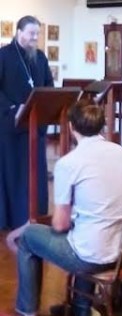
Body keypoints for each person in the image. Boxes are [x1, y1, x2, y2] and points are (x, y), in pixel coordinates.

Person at [14, 100, 122, 316]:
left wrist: (69, 218)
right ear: (103, 126)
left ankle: (28, 314)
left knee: (30, 236)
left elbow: (60, 225)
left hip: (91, 254)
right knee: (89, 231)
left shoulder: (69, 163)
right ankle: (80, 310)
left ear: (71, 127)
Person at [0, 15, 54, 230]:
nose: (35, 38)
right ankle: (12, 218)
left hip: (35, 127)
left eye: (37, 34)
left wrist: (49, 104)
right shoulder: (3, 56)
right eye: (32, 33)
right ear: (19, 32)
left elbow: (49, 84)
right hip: (10, 127)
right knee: (13, 174)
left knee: (35, 173)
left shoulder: (40, 57)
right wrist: (13, 108)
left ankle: (36, 215)